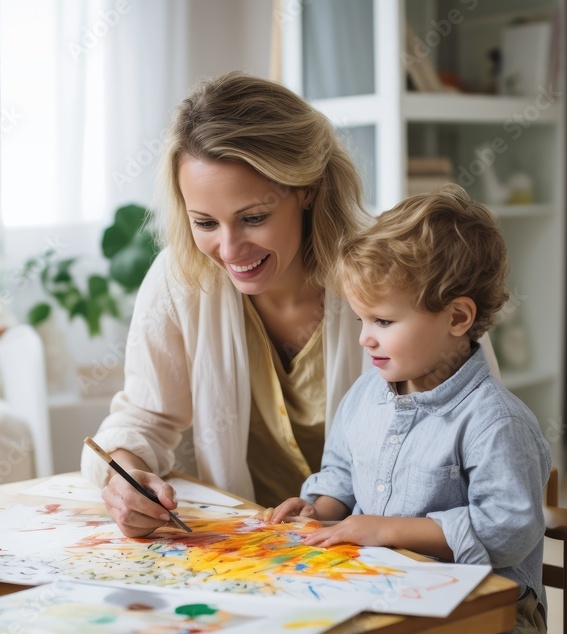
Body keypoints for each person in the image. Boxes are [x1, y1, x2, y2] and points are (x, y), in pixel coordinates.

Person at [81, 72, 499, 539]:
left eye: (253, 218)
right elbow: (145, 418)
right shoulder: (181, 279)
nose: (229, 249)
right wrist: (126, 476)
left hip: (394, 550)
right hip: (251, 551)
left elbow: (476, 427)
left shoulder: (399, 270)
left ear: (308, 189)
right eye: (205, 222)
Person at [265, 184, 567, 634]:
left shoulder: (496, 421)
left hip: (484, 613)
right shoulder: (366, 394)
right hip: (386, 593)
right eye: (363, 318)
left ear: (457, 317)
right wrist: (317, 512)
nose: (365, 338)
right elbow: (341, 473)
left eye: (383, 321)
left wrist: (386, 530)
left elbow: (509, 529)